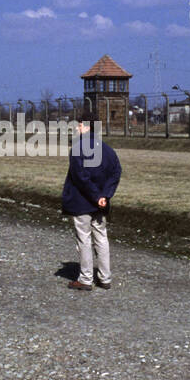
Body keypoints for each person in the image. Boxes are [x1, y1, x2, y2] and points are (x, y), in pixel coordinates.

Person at [61, 115, 121, 291]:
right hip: (100, 203)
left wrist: (96, 196)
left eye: (79, 125)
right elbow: (116, 172)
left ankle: (86, 279)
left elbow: (81, 178)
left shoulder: (78, 149)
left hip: (82, 201)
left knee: (84, 239)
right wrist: (105, 196)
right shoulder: (108, 150)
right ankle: (105, 278)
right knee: (101, 238)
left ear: (87, 127)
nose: (77, 128)